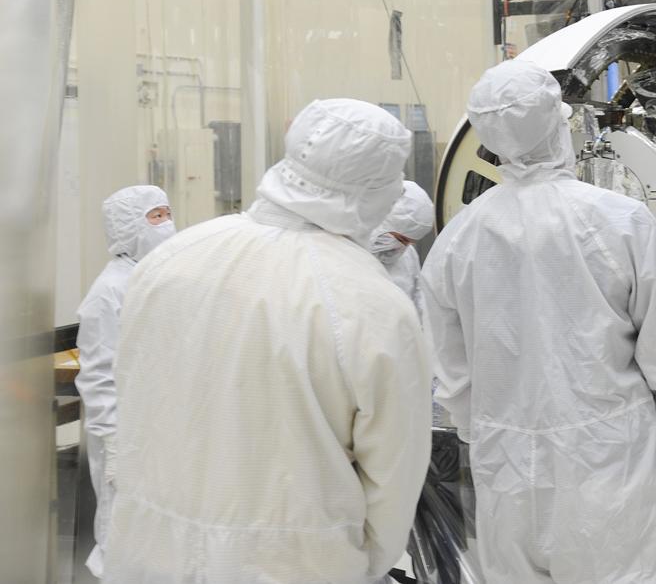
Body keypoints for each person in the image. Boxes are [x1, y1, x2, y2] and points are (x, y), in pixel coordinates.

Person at [103, 99, 433, 584]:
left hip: (148, 551)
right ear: (376, 187)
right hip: (292, 562)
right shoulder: (370, 303)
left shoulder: (171, 258)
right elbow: (394, 477)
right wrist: (364, 562)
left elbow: (132, 400)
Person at [423, 60, 656, 584]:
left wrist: (494, 435)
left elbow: (451, 374)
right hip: (612, 469)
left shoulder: (457, 239)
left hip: (507, 475)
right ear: (559, 126)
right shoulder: (621, 222)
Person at [76, 185, 175, 578]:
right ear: (129, 225)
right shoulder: (109, 291)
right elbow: (99, 374)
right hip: (124, 434)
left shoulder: (152, 277)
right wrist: (112, 441)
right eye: (156, 216)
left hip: (155, 428)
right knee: (120, 531)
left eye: (168, 213)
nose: (167, 224)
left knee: (154, 534)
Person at [370, 180, 435, 323]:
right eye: (400, 239)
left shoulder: (408, 256)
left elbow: (418, 304)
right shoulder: (345, 246)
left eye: (408, 242)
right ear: (384, 218)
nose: (401, 247)